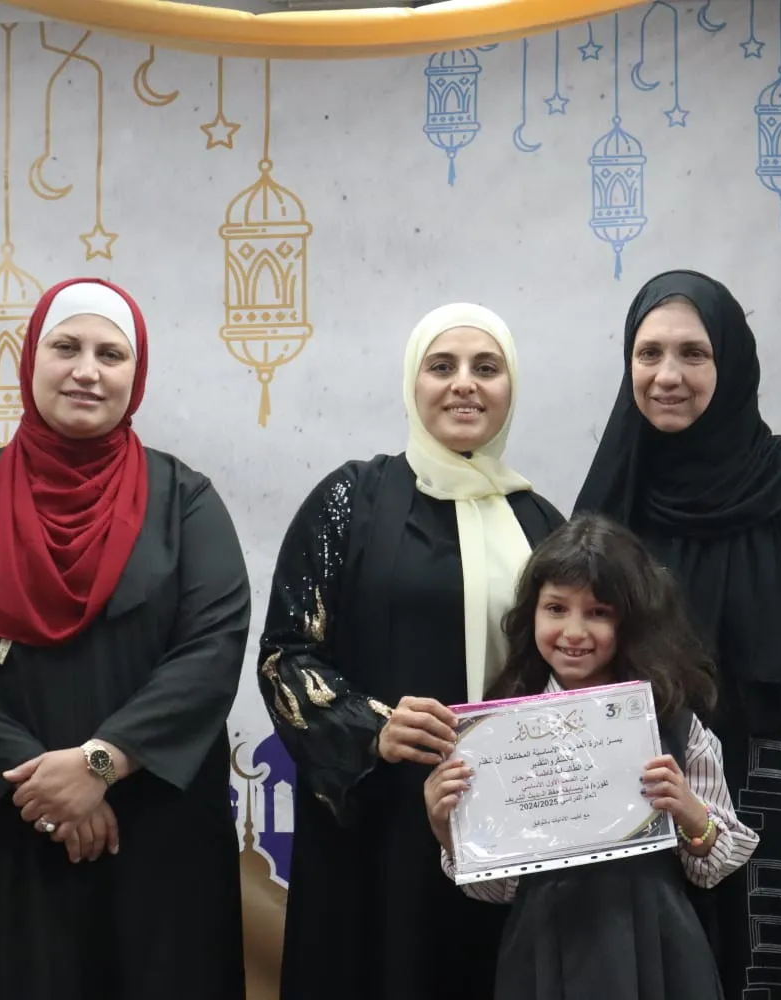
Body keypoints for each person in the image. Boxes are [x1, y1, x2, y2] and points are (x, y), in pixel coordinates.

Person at [0, 277, 251, 1000]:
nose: (87, 370)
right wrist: (44, 784)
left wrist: (99, 765)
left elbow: (213, 647)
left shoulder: (185, 501)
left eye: (110, 354)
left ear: (135, 375)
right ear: (31, 360)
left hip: (148, 834)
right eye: (66, 348)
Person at [574, 269, 781, 999]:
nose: (668, 375)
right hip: (646, 822)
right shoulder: (611, 502)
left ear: (730, 364)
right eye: (649, 353)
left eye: (693, 353)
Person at [256, 303, 565, 1000]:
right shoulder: (353, 499)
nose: (464, 384)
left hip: (511, 828)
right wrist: (374, 726)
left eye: (486, 368)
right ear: (412, 383)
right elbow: (285, 657)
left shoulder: (542, 523)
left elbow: (582, 666)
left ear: (511, 387)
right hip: (381, 820)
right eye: (442, 366)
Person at [425, 512, 760, 1000]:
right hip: (543, 949)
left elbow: (716, 868)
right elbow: (498, 889)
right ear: (532, 614)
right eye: (556, 608)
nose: (574, 631)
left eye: (598, 612)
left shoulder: (672, 723)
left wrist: (690, 812)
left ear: (631, 620)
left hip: (658, 948)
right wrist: (447, 830)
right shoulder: (498, 735)